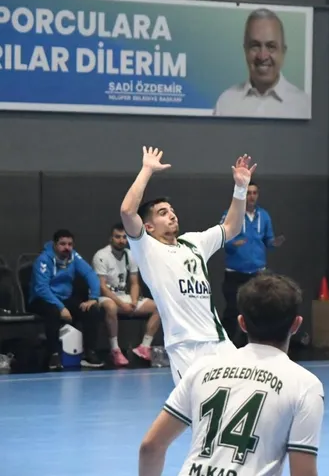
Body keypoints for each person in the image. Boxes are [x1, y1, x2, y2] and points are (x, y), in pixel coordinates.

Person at [138, 273, 323, 476]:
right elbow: (303, 473)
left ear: (242, 323)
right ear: (296, 324)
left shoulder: (203, 368)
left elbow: (150, 446)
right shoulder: (305, 384)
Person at [120, 146, 257, 384]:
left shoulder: (194, 242)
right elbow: (127, 211)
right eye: (163, 213)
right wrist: (147, 170)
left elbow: (231, 227)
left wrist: (241, 188)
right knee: (201, 405)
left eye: (172, 211)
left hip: (219, 342)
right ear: (148, 226)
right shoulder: (147, 249)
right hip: (185, 347)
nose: (172, 215)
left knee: (241, 397)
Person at [27, 229, 104, 369]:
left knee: (91, 310)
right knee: (53, 312)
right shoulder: (43, 259)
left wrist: (94, 297)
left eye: (70, 244)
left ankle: (89, 353)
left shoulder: (74, 256)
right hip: (41, 299)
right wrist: (61, 307)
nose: (67, 248)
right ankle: (54, 355)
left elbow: (90, 273)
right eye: (62, 244)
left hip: (64, 298)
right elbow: (41, 288)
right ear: (55, 245)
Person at [213, 8, 311, 119]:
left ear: (283, 52)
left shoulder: (304, 106)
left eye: (271, 46)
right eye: (255, 46)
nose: (263, 56)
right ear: (245, 50)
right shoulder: (225, 104)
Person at [220, 181, 285, 347]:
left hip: (257, 273)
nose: (251, 196)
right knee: (232, 311)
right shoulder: (230, 214)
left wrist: (274, 243)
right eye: (248, 193)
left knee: (256, 312)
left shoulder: (264, 216)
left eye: (254, 193)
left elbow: (268, 240)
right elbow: (221, 239)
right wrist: (232, 244)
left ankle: (251, 347)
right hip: (235, 272)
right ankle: (223, 347)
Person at [93, 222, 163, 366]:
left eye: (124, 237)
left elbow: (135, 283)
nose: (121, 240)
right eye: (117, 237)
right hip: (106, 297)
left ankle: (144, 347)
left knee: (159, 306)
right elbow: (102, 287)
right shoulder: (101, 256)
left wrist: (134, 301)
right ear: (111, 238)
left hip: (124, 296)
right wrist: (122, 304)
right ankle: (115, 350)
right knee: (111, 307)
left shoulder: (130, 255)